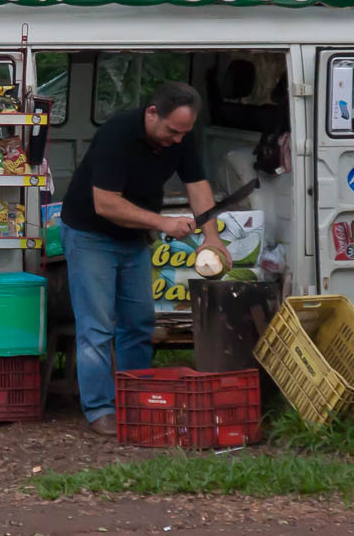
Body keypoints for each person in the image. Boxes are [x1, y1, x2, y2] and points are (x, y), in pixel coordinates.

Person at [60, 82, 231, 436]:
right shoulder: (117, 134)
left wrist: (211, 237)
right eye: (172, 131)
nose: (178, 140)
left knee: (139, 323)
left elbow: (197, 185)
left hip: (134, 239)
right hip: (90, 235)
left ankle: (136, 399)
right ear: (152, 113)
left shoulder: (181, 136)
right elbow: (105, 204)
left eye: (184, 132)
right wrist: (163, 222)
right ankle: (100, 409)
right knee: (96, 327)